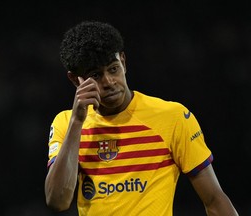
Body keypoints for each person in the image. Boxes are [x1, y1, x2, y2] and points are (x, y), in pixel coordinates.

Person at [44, 20, 238, 216]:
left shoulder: (172, 117)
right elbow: (57, 201)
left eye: (113, 69)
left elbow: (214, 199)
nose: (109, 82)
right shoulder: (66, 123)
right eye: (95, 75)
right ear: (74, 79)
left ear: (123, 62)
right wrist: (77, 122)